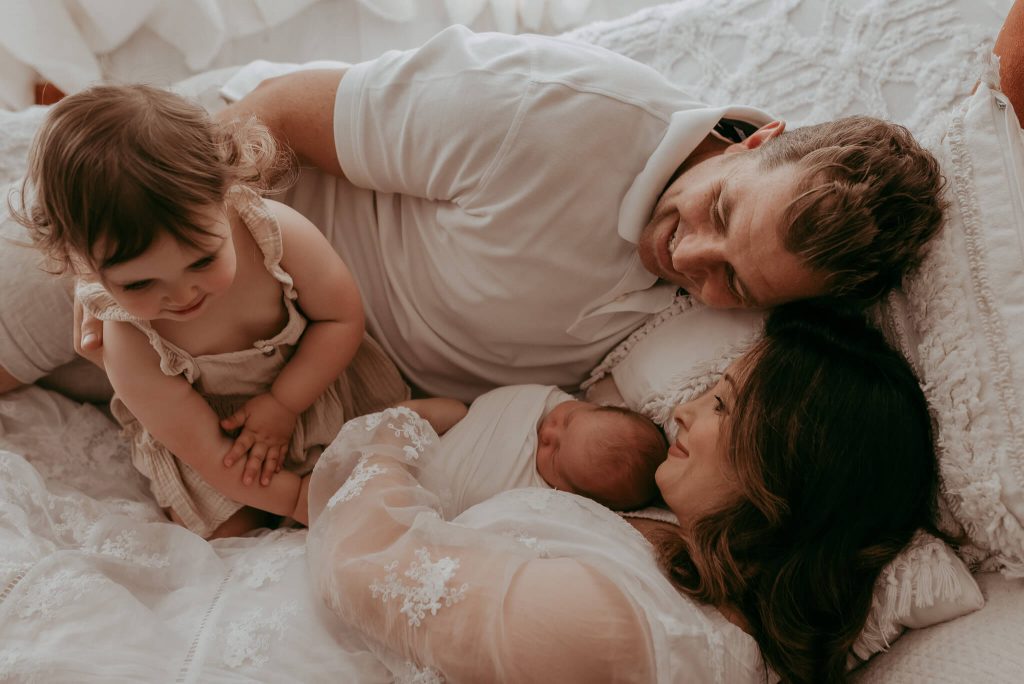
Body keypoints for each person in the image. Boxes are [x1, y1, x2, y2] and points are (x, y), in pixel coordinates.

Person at [0, 25, 946, 404]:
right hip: (227, 239)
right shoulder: (554, 112)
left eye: (733, 282)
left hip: (329, 376)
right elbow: (282, 113)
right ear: (752, 136)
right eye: (719, 213)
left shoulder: (752, 315)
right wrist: (135, 268)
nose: (687, 255)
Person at [305, 301, 941, 683]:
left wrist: (396, 433)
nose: (685, 411)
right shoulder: (681, 560)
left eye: (723, 402)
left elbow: (366, 569)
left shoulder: (612, 628)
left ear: (789, 473)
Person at [10, 83, 409, 538]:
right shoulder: (127, 339)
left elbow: (341, 318)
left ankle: (414, 418)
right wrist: (298, 500)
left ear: (228, 192)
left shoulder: (271, 234)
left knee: (390, 432)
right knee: (223, 532)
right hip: (221, 444)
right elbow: (205, 451)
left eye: (202, 260)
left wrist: (283, 403)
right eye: (138, 283)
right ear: (82, 264)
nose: (181, 297)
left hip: (314, 385)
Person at [404, 384, 668, 516]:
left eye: (554, 455)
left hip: (418, 493)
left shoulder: (541, 503)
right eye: (568, 420)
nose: (549, 432)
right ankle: (393, 421)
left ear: (570, 493)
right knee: (451, 411)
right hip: (445, 429)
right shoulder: (554, 401)